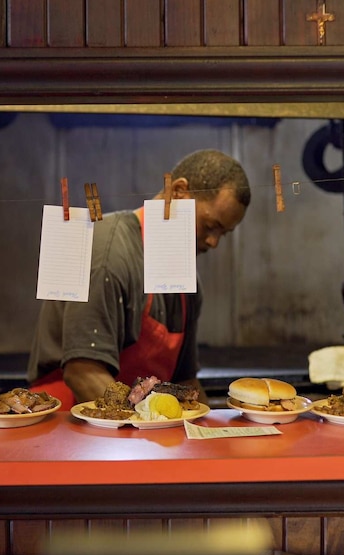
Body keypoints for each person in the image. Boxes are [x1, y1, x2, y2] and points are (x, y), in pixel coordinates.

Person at [27, 149, 251, 409]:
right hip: (70, 426)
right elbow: (82, 373)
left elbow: (185, 381)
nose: (213, 242)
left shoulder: (187, 284)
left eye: (224, 233)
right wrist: (145, 423)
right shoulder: (108, 254)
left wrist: (210, 433)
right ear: (178, 192)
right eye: (211, 226)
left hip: (143, 435)